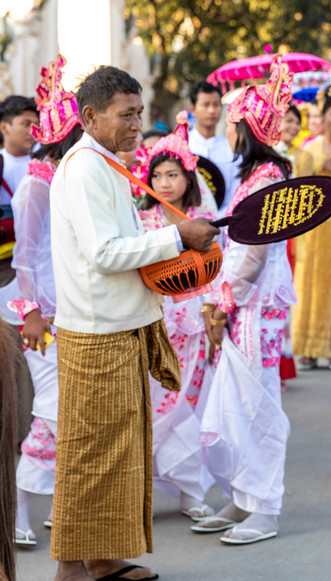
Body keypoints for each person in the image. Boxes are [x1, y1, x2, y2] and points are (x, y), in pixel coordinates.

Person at [49, 65, 217, 581]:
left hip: (118, 328)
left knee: (121, 453)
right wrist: (176, 240)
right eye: (126, 115)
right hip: (98, 335)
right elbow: (104, 253)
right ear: (91, 116)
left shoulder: (105, 163)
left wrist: (176, 245)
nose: (136, 124)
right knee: (91, 457)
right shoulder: (83, 168)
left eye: (139, 113)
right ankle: (70, 570)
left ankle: (102, 559)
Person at [193, 56, 295, 545]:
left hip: (255, 307)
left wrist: (219, 304)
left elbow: (250, 257)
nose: (228, 132)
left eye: (234, 124)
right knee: (236, 403)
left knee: (256, 405)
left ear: (246, 130)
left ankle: (265, 508)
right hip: (244, 305)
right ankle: (242, 496)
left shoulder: (266, 179)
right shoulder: (255, 178)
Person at [9, 55, 83, 548]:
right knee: (52, 416)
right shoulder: (38, 181)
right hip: (46, 316)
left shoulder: (69, 176)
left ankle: (59, 511)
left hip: (75, 312)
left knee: (67, 419)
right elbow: (24, 255)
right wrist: (31, 312)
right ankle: (15, 510)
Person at [138, 112, 217, 526]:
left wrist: (214, 311)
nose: (164, 182)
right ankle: (143, 491)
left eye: (172, 174)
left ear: (189, 178)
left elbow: (219, 268)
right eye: (158, 174)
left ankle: (190, 489)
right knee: (153, 407)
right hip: (154, 326)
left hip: (193, 327)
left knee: (190, 404)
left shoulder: (200, 221)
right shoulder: (143, 221)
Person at [293, 86, 331, 371]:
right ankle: (305, 349)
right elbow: (299, 185)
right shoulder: (310, 146)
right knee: (306, 283)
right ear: (324, 115)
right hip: (311, 223)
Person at [188, 81, 239, 216]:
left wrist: (220, 218)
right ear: (192, 109)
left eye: (216, 105)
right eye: (206, 105)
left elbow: (235, 190)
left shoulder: (231, 147)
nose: (211, 110)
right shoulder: (183, 144)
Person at [0, 95, 39, 202]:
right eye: (26, 124)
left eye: (36, 124)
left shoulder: (44, 163)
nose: (33, 131)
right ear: (4, 127)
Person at [274, 103, 313, 176]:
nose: (294, 126)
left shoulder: (305, 156)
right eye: (289, 121)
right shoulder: (267, 150)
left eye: (298, 123)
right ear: (277, 121)